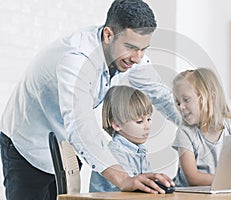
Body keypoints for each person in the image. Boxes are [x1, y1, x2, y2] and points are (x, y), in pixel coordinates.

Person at [0, 0, 178, 199]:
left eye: (144, 48)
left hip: (64, 142)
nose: (138, 57)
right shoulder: (76, 59)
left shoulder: (129, 55)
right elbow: (80, 125)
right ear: (108, 35)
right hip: (28, 143)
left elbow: (160, 95)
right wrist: (124, 178)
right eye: (131, 47)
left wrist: (201, 128)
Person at [171, 68, 231, 187]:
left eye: (186, 100)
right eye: (178, 103)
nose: (181, 107)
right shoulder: (185, 132)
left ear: (211, 97)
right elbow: (192, 177)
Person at [89, 85, 157, 192]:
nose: (147, 126)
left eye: (149, 119)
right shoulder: (115, 154)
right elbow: (132, 189)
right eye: (139, 121)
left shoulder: (138, 151)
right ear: (116, 125)